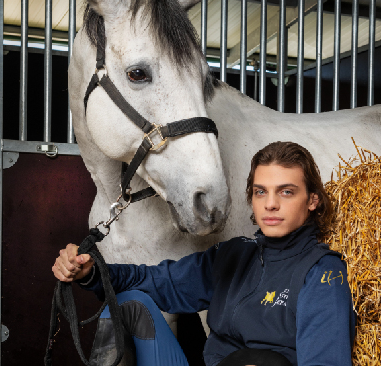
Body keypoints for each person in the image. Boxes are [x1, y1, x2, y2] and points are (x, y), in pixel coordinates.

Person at [53, 141, 356, 366]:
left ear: (313, 200)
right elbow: (153, 280)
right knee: (128, 302)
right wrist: (90, 272)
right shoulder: (234, 255)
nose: (270, 204)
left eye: (286, 191)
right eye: (261, 191)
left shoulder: (321, 273)